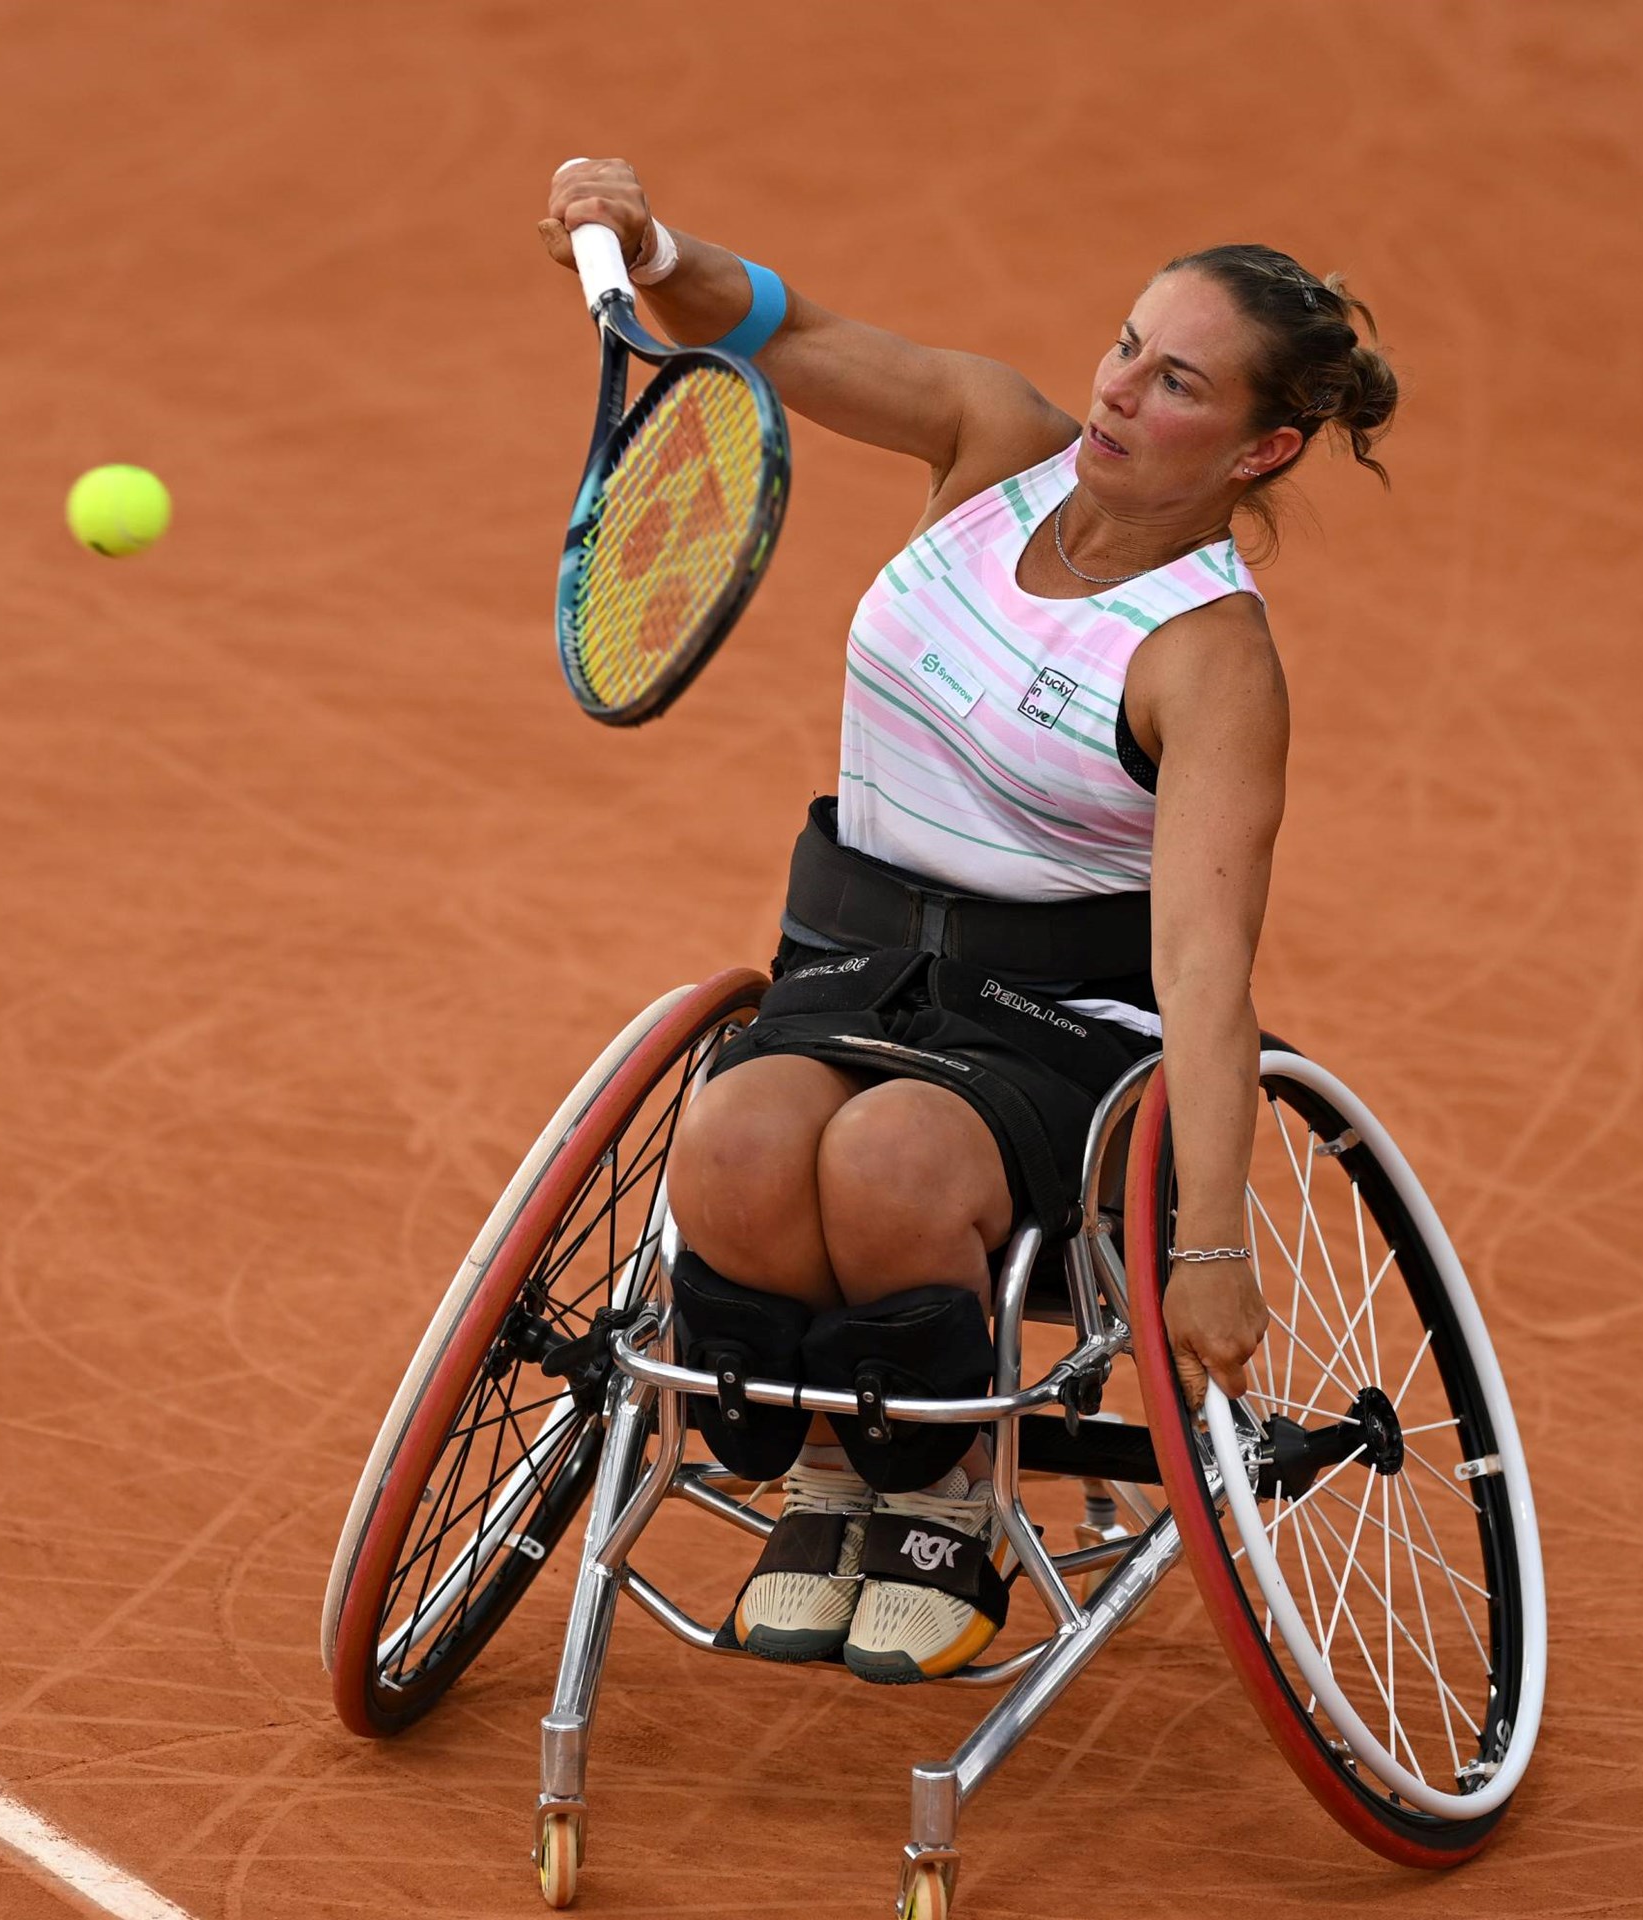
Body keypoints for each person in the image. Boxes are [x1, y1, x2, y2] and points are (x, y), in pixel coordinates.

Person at [538, 159, 1397, 1683]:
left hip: (1049, 1031)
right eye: (1128, 343)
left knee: (887, 1162)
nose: (1121, 389)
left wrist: (1211, 1237)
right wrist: (650, 241)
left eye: (1178, 379)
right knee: (731, 1144)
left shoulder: (1208, 660)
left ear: (1262, 447)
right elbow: (771, 330)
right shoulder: (996, 439)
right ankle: (817, 1475)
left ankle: (939, 1498)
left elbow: (1205, 963)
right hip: (855, 968)